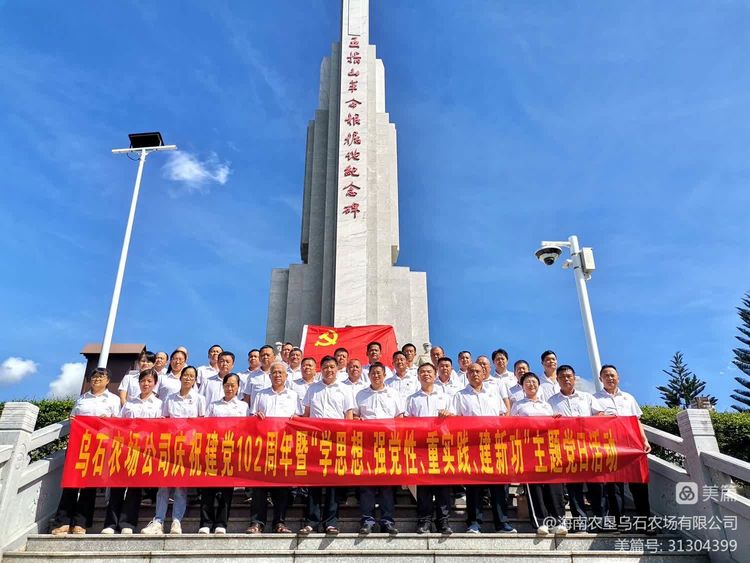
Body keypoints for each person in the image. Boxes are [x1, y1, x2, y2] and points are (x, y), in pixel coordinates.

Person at [50, 367, 121, 535]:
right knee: (71, 482)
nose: (96, 379)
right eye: (94, 376)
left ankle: (81, 522)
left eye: (100, 377)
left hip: (98, 446)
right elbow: (73, 417)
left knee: (89, 485)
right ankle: (63, 521)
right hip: (78, 445)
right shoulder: (82, 399)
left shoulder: (113, 399)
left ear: (107, 381)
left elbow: (118, 422)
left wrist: (107, 421)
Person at [142, 366, 206, 535]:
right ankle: (158, 520)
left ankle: (177, 521)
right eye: (185, 375)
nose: (188, 378)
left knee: (180, 486)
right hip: (169, 447)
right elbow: (164, 420)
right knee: (163, 485)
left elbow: (202, 423)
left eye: (191, 376)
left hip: (187, 447)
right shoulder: (170, 399)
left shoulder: (199, 399)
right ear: (181, 378)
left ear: (195, 380)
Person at [453, 363, 515, 534]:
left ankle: (502, 523)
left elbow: (502, 416)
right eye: (471, 371)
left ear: (484, 373)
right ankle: (474, 522)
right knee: (474, 486)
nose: (474, 374)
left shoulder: (493, 394)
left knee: (499, 485)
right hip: (472, 446)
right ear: (467, 375)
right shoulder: (459, 395)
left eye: (478, 371)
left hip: (494, 444)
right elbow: (456, 420)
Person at [102, 368, 162, 534]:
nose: (146, 384)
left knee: (135, 487)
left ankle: (127, 523)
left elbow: (160, 427)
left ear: (155, 384)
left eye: (149, 381)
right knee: (117, 485)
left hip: (144, 450)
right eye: (143, 381)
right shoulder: (130, 403)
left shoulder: (159, 404)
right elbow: (120, 423)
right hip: (125, 447)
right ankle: (110, 524)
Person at [299, 355, 354, 535]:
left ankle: (331, 522)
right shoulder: (312, 389)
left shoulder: (345, 389)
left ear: (337, 369)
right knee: (313, 482)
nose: (329, 370)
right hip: (315, 440)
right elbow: (307, 414)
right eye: (325, 367)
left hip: (336, 440)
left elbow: (349, 417)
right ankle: (311, 521)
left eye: (332, 367)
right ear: (320, 369)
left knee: (333, 484)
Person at [594, 364, 652, 531]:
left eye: (612, 375)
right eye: (606, 375)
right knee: (614, 487)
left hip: (632, 444)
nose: (610, 378)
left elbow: (637, 421)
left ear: (618, 377)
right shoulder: (595, 399)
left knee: (639, 485)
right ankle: (620, 523)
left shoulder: (628, 398)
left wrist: (645, 440)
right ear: (601, 379)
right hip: (610, 445)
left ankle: (645, 524)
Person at [548, 365, 605, 531]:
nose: (566, 379)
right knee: (574, 487)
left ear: (574, 378)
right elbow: (548, 422)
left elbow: (600, 416)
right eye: (562, 377)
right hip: (567, 449)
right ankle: (580, 521)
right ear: (557, 380)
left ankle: (600, 520)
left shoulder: (587, 398)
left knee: (596, 485)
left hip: (589, 447)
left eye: (569, 376)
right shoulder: (551, 401)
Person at [246, 362, 301, 534]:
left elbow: (298, 417)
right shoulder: (261, 395)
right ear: (269, 376)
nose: (277, 375)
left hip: (284, 447)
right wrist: (256, 416)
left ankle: (279, 522)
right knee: (260, 487)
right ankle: (257, 522)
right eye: (274, 372)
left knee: (282, 488)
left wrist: (296, 418)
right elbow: (252, 417)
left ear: (286, 376)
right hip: (264, 446)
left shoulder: (293, 395)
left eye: (280, 373)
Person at [511, 372, 567, 537]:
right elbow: (513, 427)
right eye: (527, 382)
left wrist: (555, 419)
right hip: (529, 449)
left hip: (548, 449)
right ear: (522, 387)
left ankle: (558, 521)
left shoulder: (546, 405)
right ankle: (541, 522)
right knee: (534, 486)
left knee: (553, 484)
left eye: (534, 382)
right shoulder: (518, 406)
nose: (531, 385)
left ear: (538, 385)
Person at [405, 362, 454, 535]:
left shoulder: (446, 396)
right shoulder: (412, 398)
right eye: (422, 372)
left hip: (441, 446)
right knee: (424, 486)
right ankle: (424, 521)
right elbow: (407, 424)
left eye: (429, 372)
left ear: (435, 375)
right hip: (421, 448)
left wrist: (449, 415)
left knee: (443, 486)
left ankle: (443, 521)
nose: (426, 374)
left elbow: (455, 420)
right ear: (418, 376)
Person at [355, 362, 403, 535]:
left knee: (386, 485)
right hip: (367, 445)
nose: (376, 375)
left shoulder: (393, 394)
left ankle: (387, 521)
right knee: (366, 484)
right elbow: (354, 417)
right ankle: (367, 520)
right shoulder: (360, 394)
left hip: (388, 444)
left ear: (384, 375)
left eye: (379, 373)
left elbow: (400, 418)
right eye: (373, 373)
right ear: (368, 376)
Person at [200, 372, 249, 534]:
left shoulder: (243, 407)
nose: (229, 388)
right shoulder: (214, 405)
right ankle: (206, 523)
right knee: (208, 489)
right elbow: (206, 426)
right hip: (214, 450)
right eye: (227, 385)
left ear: (238, 388)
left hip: (231, 451)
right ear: (223, 386)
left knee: (226, 490)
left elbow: (245, 429)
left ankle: (221, 523)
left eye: (233, 385)